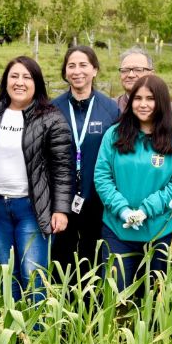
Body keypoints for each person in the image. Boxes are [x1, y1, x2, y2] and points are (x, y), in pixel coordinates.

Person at [0, 56, 72, 303]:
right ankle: (12, 326)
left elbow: (63, 169)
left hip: (32, 209)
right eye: (14, 76)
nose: (19, 82)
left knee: (33, 276)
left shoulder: (51, 118)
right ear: (6, 81)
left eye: (27, 77)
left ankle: (36, 326)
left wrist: (61, 210)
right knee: (7, 275)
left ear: (37, 83)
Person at [94, 74, 172, 296]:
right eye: (138, 98)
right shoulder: (114, 135)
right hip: (117, 230)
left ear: (162, 102)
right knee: (116, 295)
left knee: (155, 298)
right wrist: (123, 210)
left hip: (160, 231)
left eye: (150, 98)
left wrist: (146, 210)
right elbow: (102, 177)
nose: (143, 104)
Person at [51, 45, 120, 276]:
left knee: (95, 256)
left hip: (98, 197)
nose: (77, 71)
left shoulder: (110, 109)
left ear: (95, 70)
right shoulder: (53, 108)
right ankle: (62, 296)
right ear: (65, 71)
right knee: (62, 258)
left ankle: (94, 298)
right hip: (62, 199)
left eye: (83, 65)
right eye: (71, 66)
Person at [115, 47, 172, 117]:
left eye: (138, 69)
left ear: (151, 74)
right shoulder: (110, 108)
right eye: (125, 70)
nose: (131, 75)